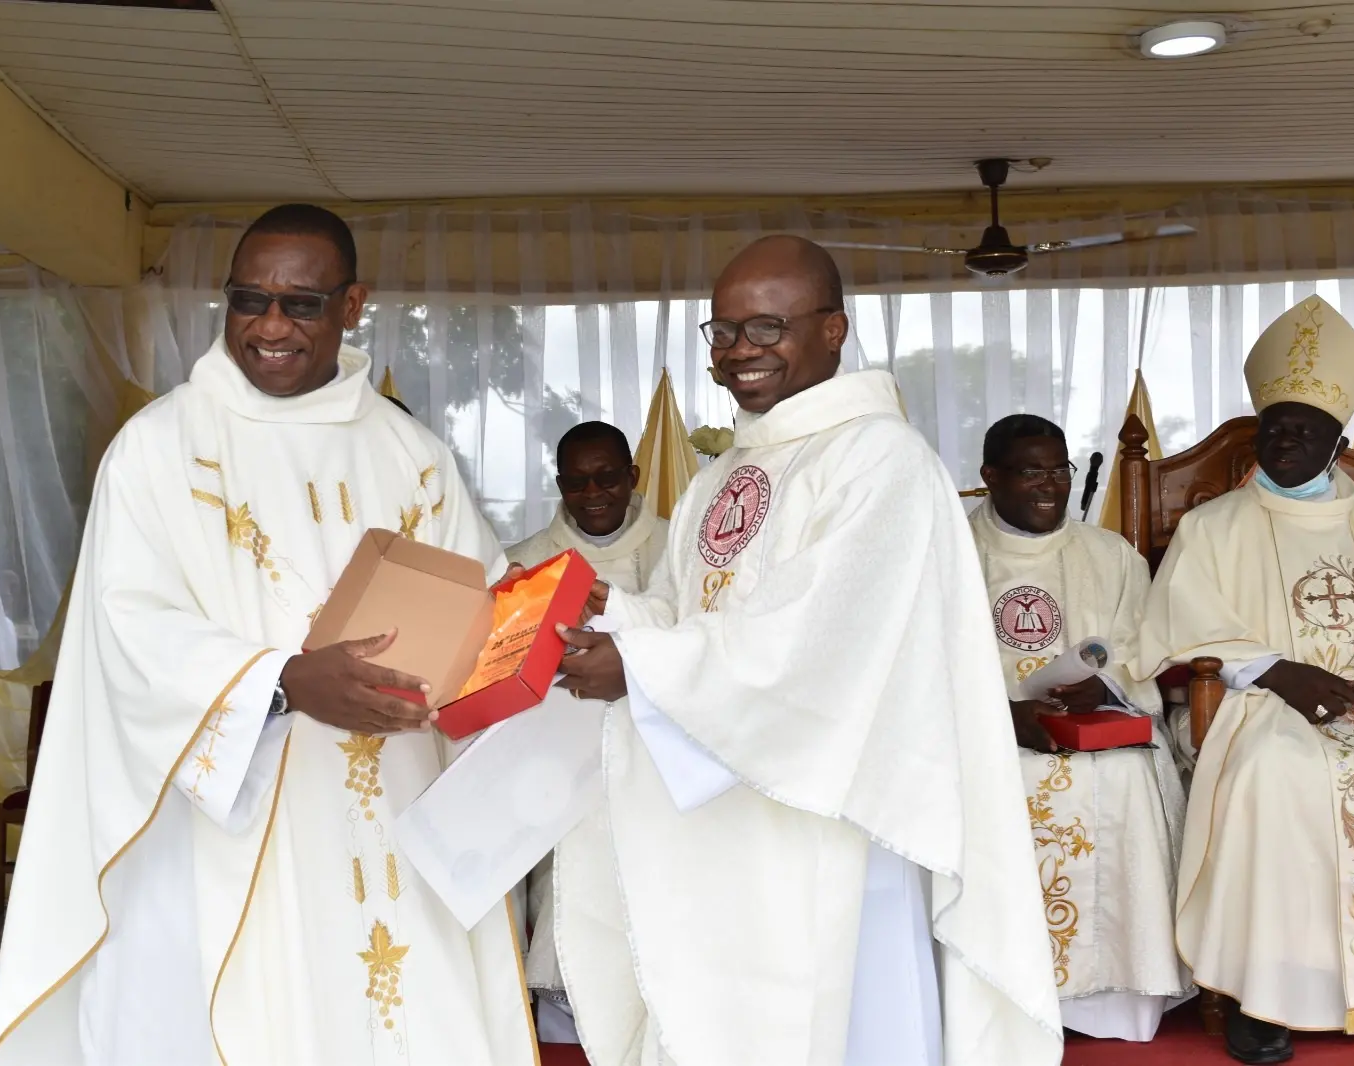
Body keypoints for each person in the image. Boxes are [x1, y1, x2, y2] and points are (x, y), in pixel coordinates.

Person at [0, 205, 535, 1066]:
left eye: (301, 305)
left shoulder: (412, 455)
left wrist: (532, 635)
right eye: (249, 300)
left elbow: (478, 602)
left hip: (392, 811)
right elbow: (126, 630)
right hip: (221, 831)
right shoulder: (159, 448)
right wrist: (281, 680)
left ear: (352, 306)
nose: (269, 327)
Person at [552, 235, 1062, 1066]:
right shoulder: (723, 475)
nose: (738, 354)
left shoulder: (880, 459)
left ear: (833, 329)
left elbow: (820, 640)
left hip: (836, 813)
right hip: (727, 803)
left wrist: (641, 667)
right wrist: (623, 621)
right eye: (720, 333)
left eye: (764, 329)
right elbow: (701, 616)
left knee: (839, 1023)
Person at [1140, 295, 1354, 1064]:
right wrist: (1277, 668)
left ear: (1340, 441)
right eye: (1274, 426)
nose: (1286, 440)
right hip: (1263, 700)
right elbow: (1175, 630)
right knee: (1277, 774)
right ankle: (1262, 993)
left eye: (1305, 430)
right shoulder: (1212, 526)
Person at [972, 413, 1188, 1042]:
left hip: (1097, 730)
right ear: (989, 476)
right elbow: (923, 658)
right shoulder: (950, 551)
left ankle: (1116, 999)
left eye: (1059, 471)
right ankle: (1003, 992)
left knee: (1124, 780)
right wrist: (1004, 714)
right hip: (989, 734)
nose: (1050, 487)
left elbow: (1147, 648)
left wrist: (1109, 683)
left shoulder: (1110, 555)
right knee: (1001, 781)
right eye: (1031, 471)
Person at [507, 419, 669, 1045]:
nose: (593, 493)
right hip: (562, 774)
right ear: (559, 486)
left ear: (633, 477)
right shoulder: (524, 564)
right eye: (576, 483)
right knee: (574, 918)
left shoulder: (675, 552)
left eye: (607, 478)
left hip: (658, 770)